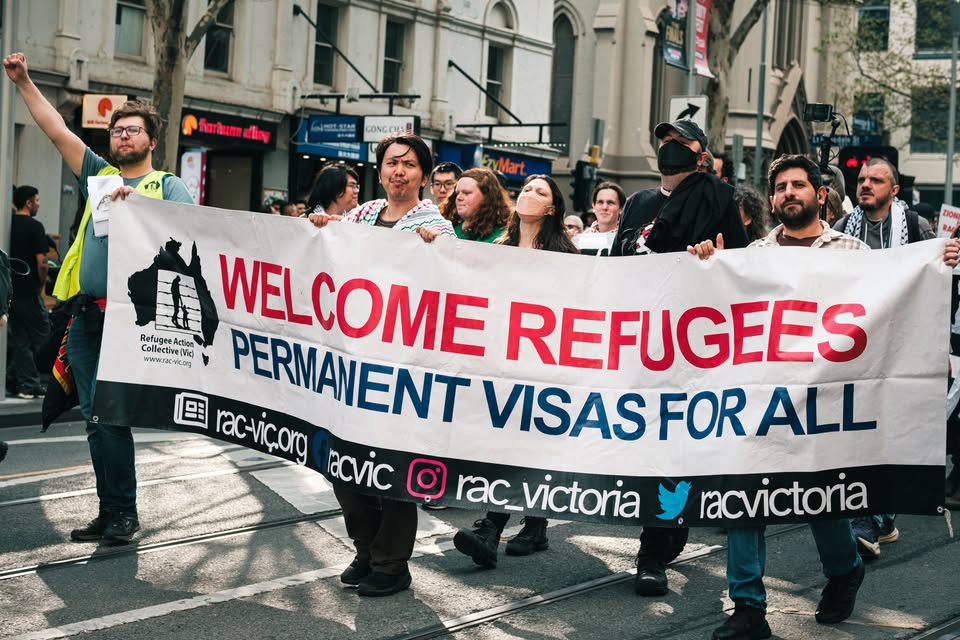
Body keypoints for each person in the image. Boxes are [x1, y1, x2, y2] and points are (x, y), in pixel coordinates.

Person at [689, 154, 960, 640]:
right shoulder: (753, 254)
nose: (788, 193)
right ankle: (747, 606)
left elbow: (892, 303)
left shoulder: (852, 251)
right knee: (743, 498)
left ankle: (844, 569)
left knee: (823, 498)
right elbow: (719, 310)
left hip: (827, 401)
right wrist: (707, 265)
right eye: (780, 187)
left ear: (819, 194)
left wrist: (937, 264)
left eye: (798, 185)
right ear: (772, 199)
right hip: (762, 400)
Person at [3, 51, 194, 544]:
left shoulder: (167, 186)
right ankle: (110, 512)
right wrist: (23, 82)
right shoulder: (100, 178)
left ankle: (124, 513)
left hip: (130, 321)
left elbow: (191, 236)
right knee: (93, 418)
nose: (123, 137)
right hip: (85, 318)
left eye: (132, 131)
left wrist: (143, 208)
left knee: (111, 415)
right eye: (117, 131)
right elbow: (55, 131)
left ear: (152, 141)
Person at [308, 133, 453, 597]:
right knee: (343, 463)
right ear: (380, 170)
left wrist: (439, 252)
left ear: (423, 176)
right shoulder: (362, 214)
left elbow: (452, 283)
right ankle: (366, 550)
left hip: (401, 368)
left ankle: (392, 565)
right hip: (351, 364)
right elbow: (327, 250)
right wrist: (319, 227)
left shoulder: (436, 226)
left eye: (409, 165)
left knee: (390, 467)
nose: (398, 172)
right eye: (392, 163)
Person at [610, 119, 749, 597]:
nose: (670, 147)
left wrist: (714, 259)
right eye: (665, 141)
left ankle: (653, 554)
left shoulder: (718, 198)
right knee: (641, 447)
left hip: (688, 348)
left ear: (701, 155)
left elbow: (742, 266)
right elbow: (617, 264)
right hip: (638, 340)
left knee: (672, 450)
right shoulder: (639, 203)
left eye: (680, 142)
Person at [452, 174, 579, 569]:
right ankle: (508, 526)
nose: (529, 194)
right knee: (503, 443)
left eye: (539, 191)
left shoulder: (566, 256)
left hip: (544, 366)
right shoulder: (499, 249)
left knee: (532, 443)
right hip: (502, 363)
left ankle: (516, 525)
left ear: (552, 208)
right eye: (525, 188)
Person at [832, 157, 934, 559]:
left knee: (893, 434)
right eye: (861, 179)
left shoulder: (917, 228)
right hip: (857, 347)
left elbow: (935, 278)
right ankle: (867, 522)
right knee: (863, 435)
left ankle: (881, 519)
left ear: (894, 191)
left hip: (902, 345)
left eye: (876, 180)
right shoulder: (843, 228)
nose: (865, 185)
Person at [9, 185, 50, 399]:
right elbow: (42, 262)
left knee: (20, 338)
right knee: (44, 333)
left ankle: (25, 383)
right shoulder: (35, 226)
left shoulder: (7, 224)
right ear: (28, 202)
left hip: (9, 289)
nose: (39, 204)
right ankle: (27, 379)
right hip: (28, 289)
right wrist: (42, 283)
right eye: (37, 200)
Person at [439, 167, 510, 242]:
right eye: (457, 193)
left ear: (487, 197)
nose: (459, 198)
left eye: (466, 193)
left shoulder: (501, 237)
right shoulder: (447, 230)